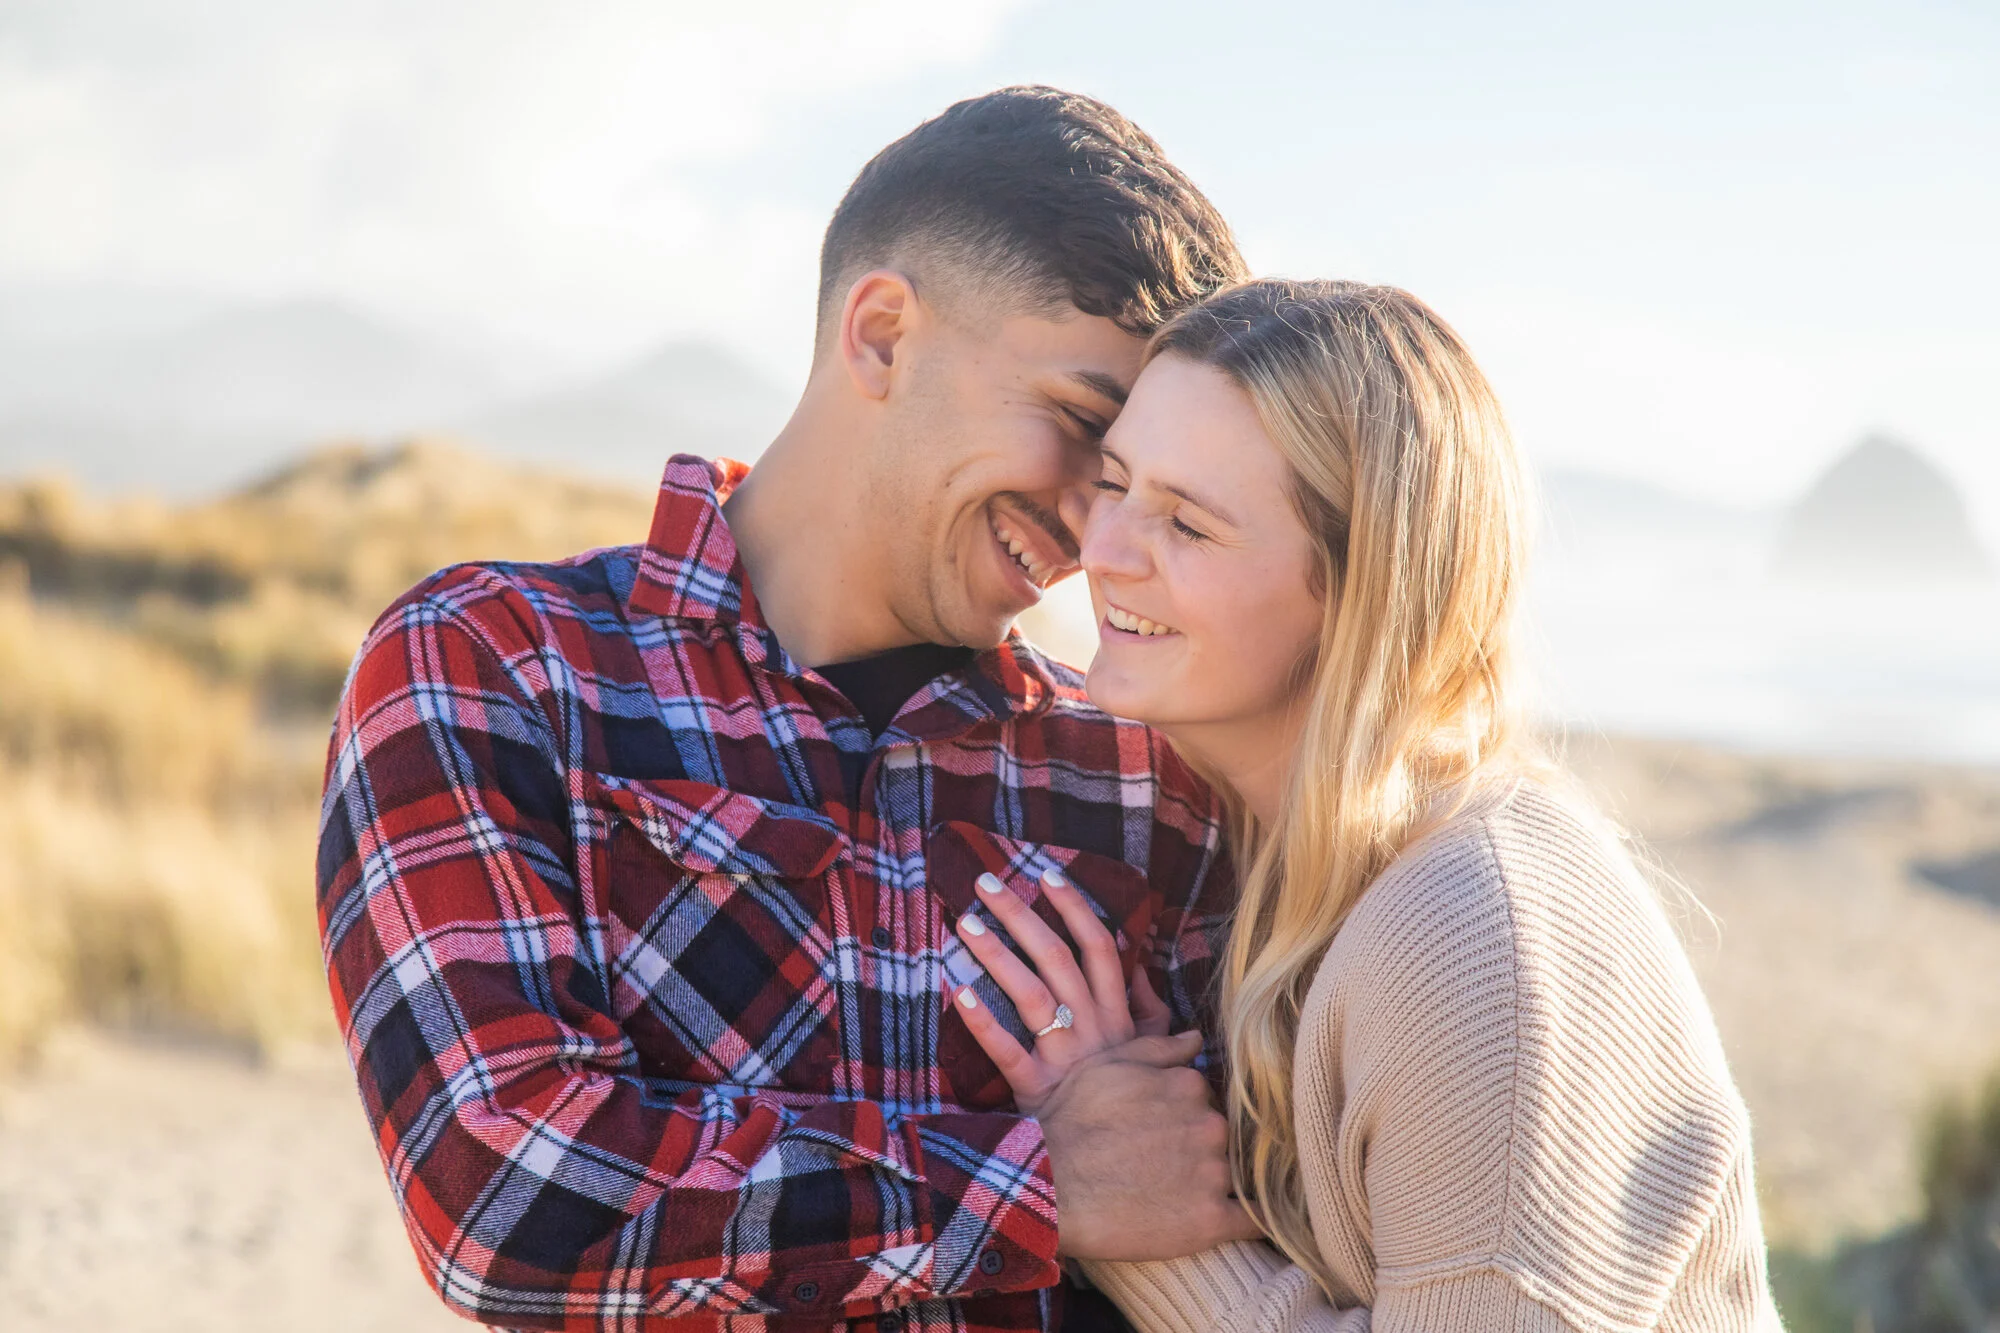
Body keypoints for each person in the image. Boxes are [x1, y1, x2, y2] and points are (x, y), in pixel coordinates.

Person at [315, 87, 1255, 1332]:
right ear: (878, 335)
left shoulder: (1149, 778)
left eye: (1139, 474)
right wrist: (1037, 1184)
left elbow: (1250, 1198)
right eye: (1082, 426)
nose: (1101, 524)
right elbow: (504, 1200)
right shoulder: (497, 667)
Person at [949, 279, 1783, 1330]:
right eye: (1115, 482)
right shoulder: (1278, 858)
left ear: (1358, 588)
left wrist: (1157, 1235)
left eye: (1189, 525)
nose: (1104, 551)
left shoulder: (1473, 928)